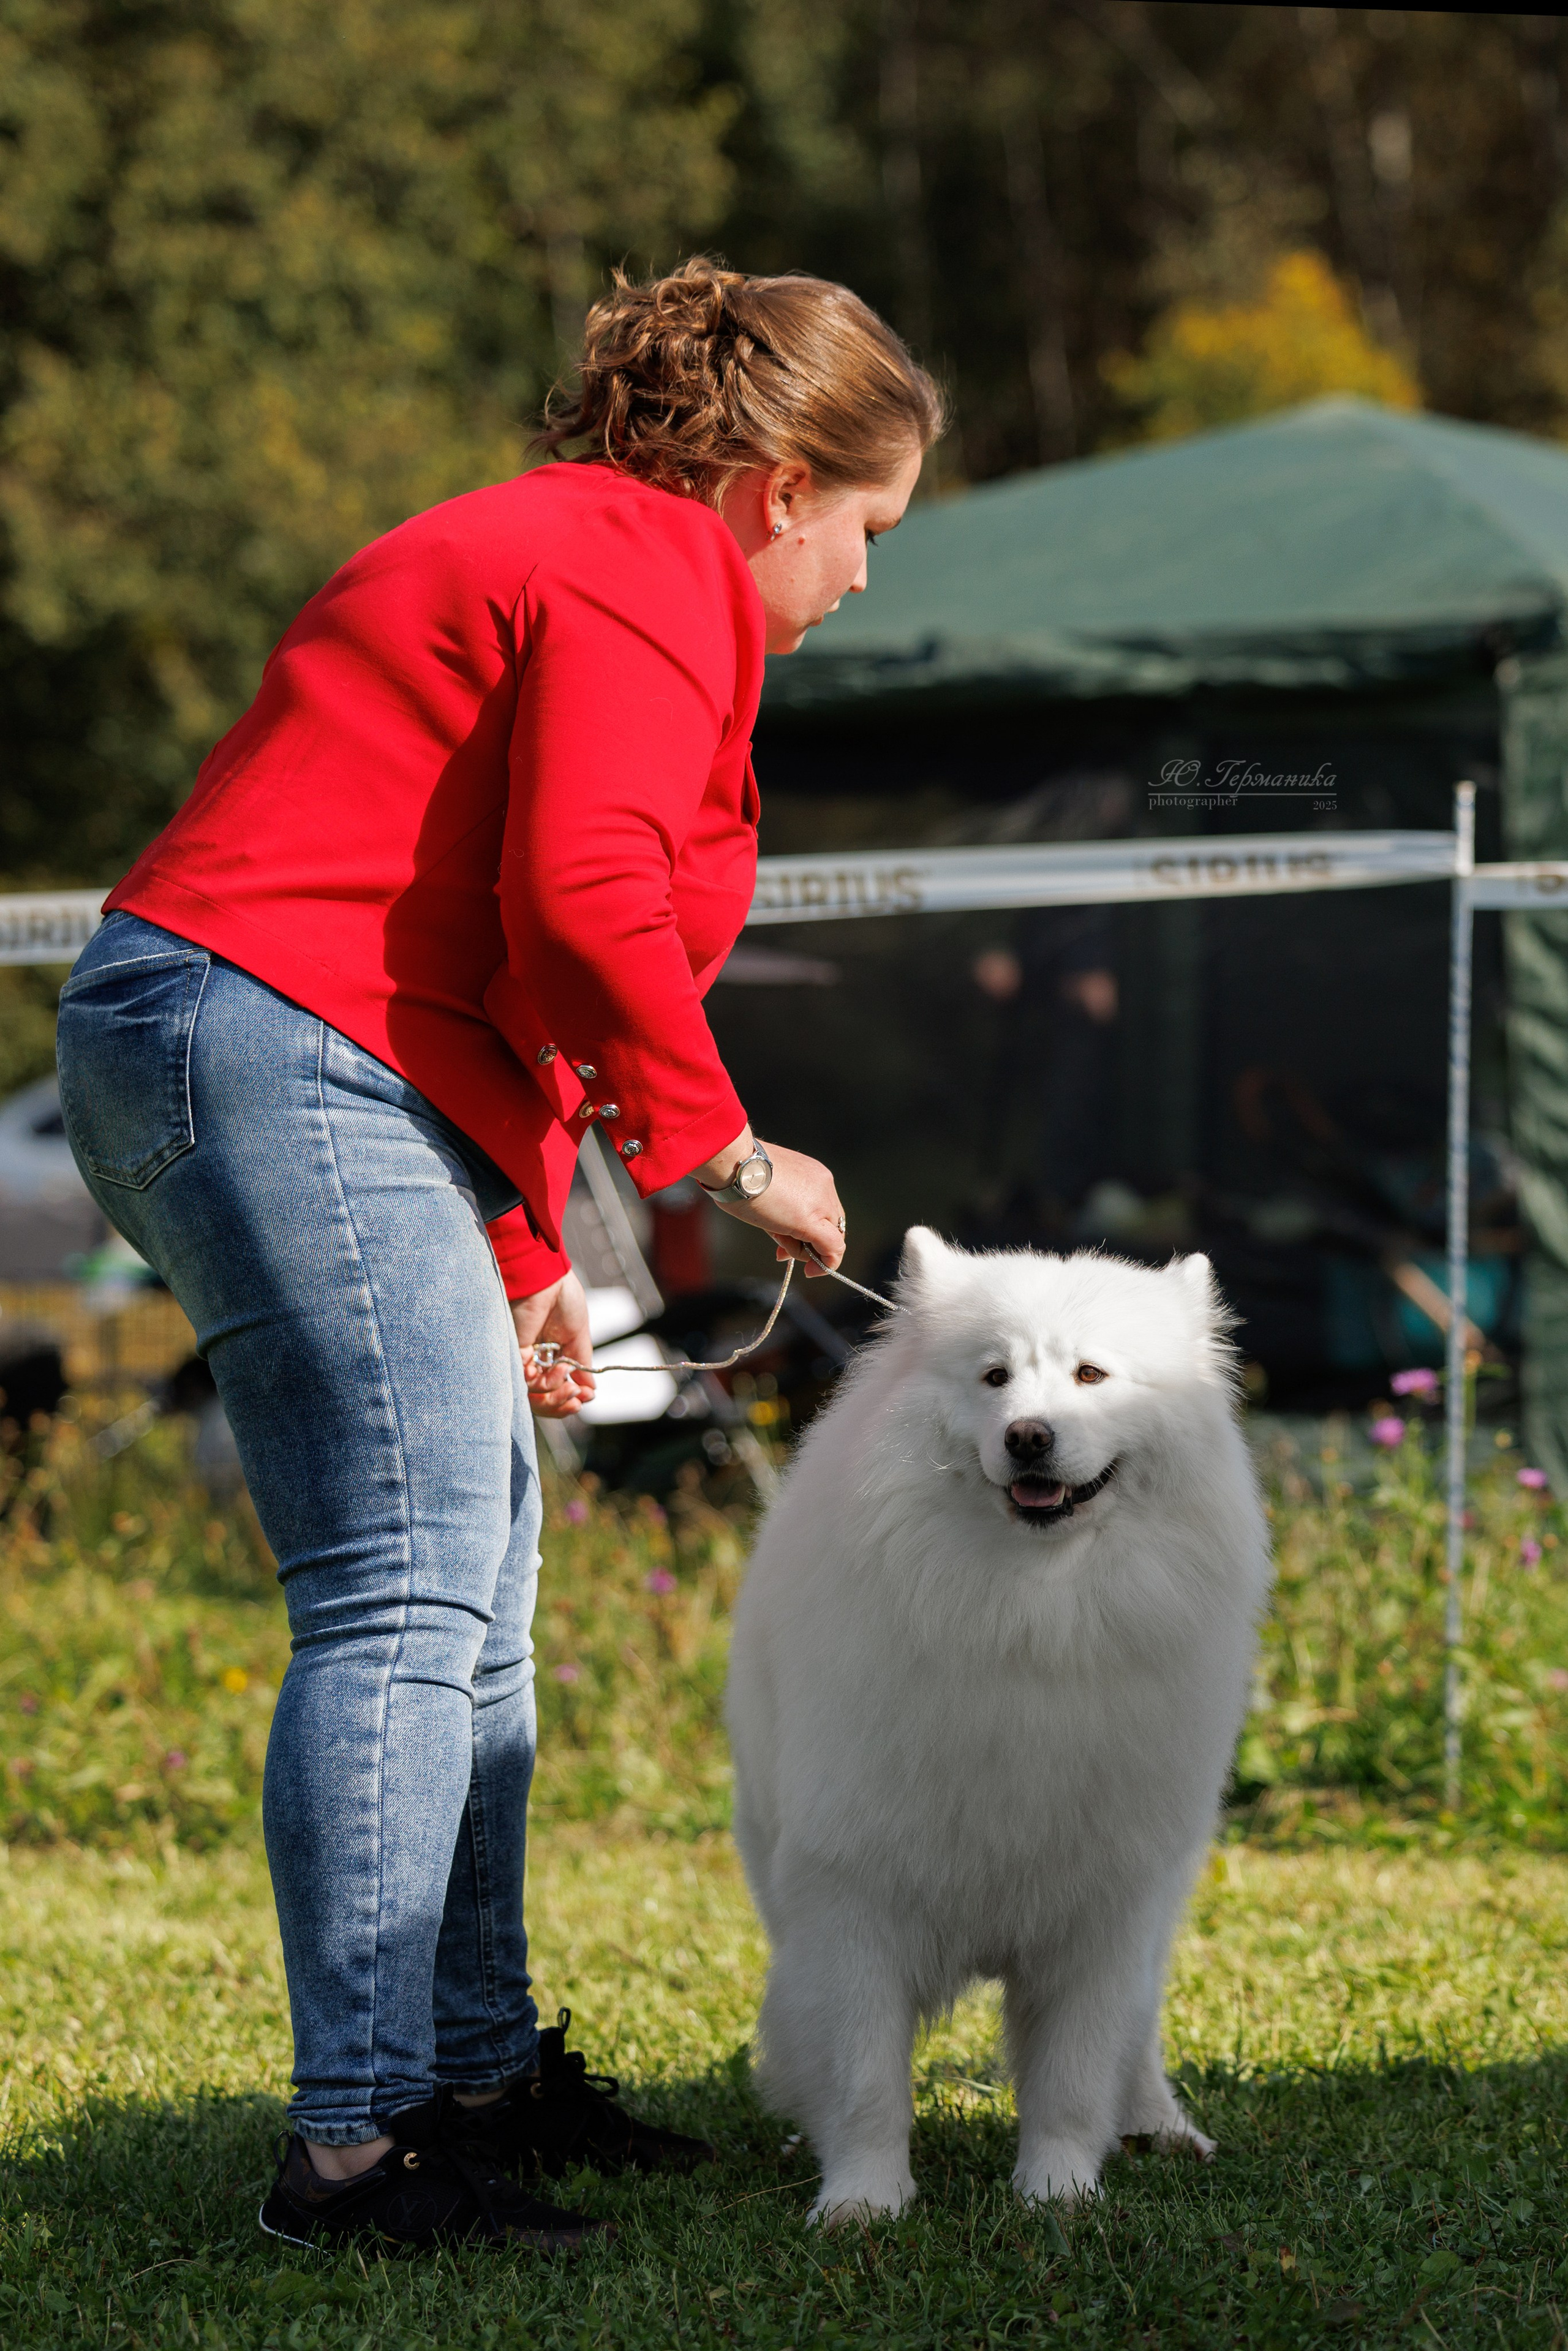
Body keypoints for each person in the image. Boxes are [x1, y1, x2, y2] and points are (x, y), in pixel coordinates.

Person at [56, 258, 942, 2253]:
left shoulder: (583, 551)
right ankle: (357, 2152)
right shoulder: (648, 561)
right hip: (264, 1038)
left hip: (277, 1042)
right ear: (779, 481)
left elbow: (471, 957)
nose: (865, 582)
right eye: (871, 531)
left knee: (477, 1590)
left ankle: (469, 2074)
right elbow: (583, 892)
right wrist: (719, 1145)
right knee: (399, 1593)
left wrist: (532, 1242)